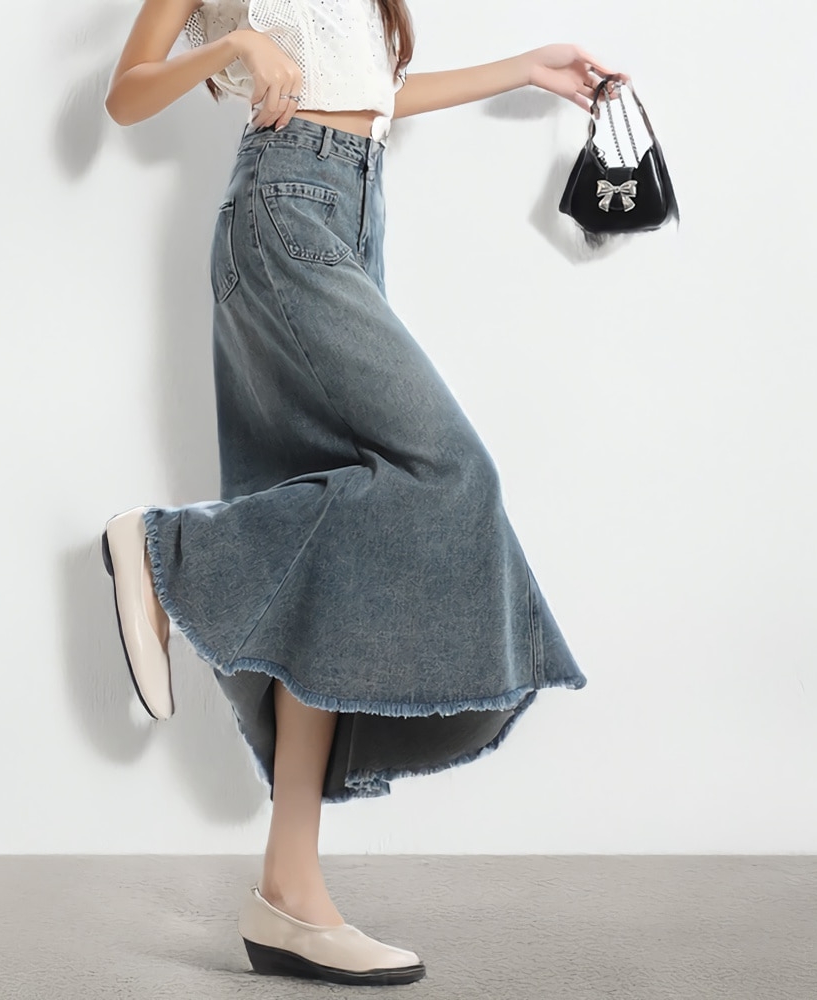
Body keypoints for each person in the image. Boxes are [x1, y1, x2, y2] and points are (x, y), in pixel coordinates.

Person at [100, 0, 626, 986]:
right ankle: (167, 551)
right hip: (284, 208)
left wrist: (523, 67)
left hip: (352, 212)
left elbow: (371, 94)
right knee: (447, 469)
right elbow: (126, 95)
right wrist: (231, 46)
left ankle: (287, 892)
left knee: (336, 558)